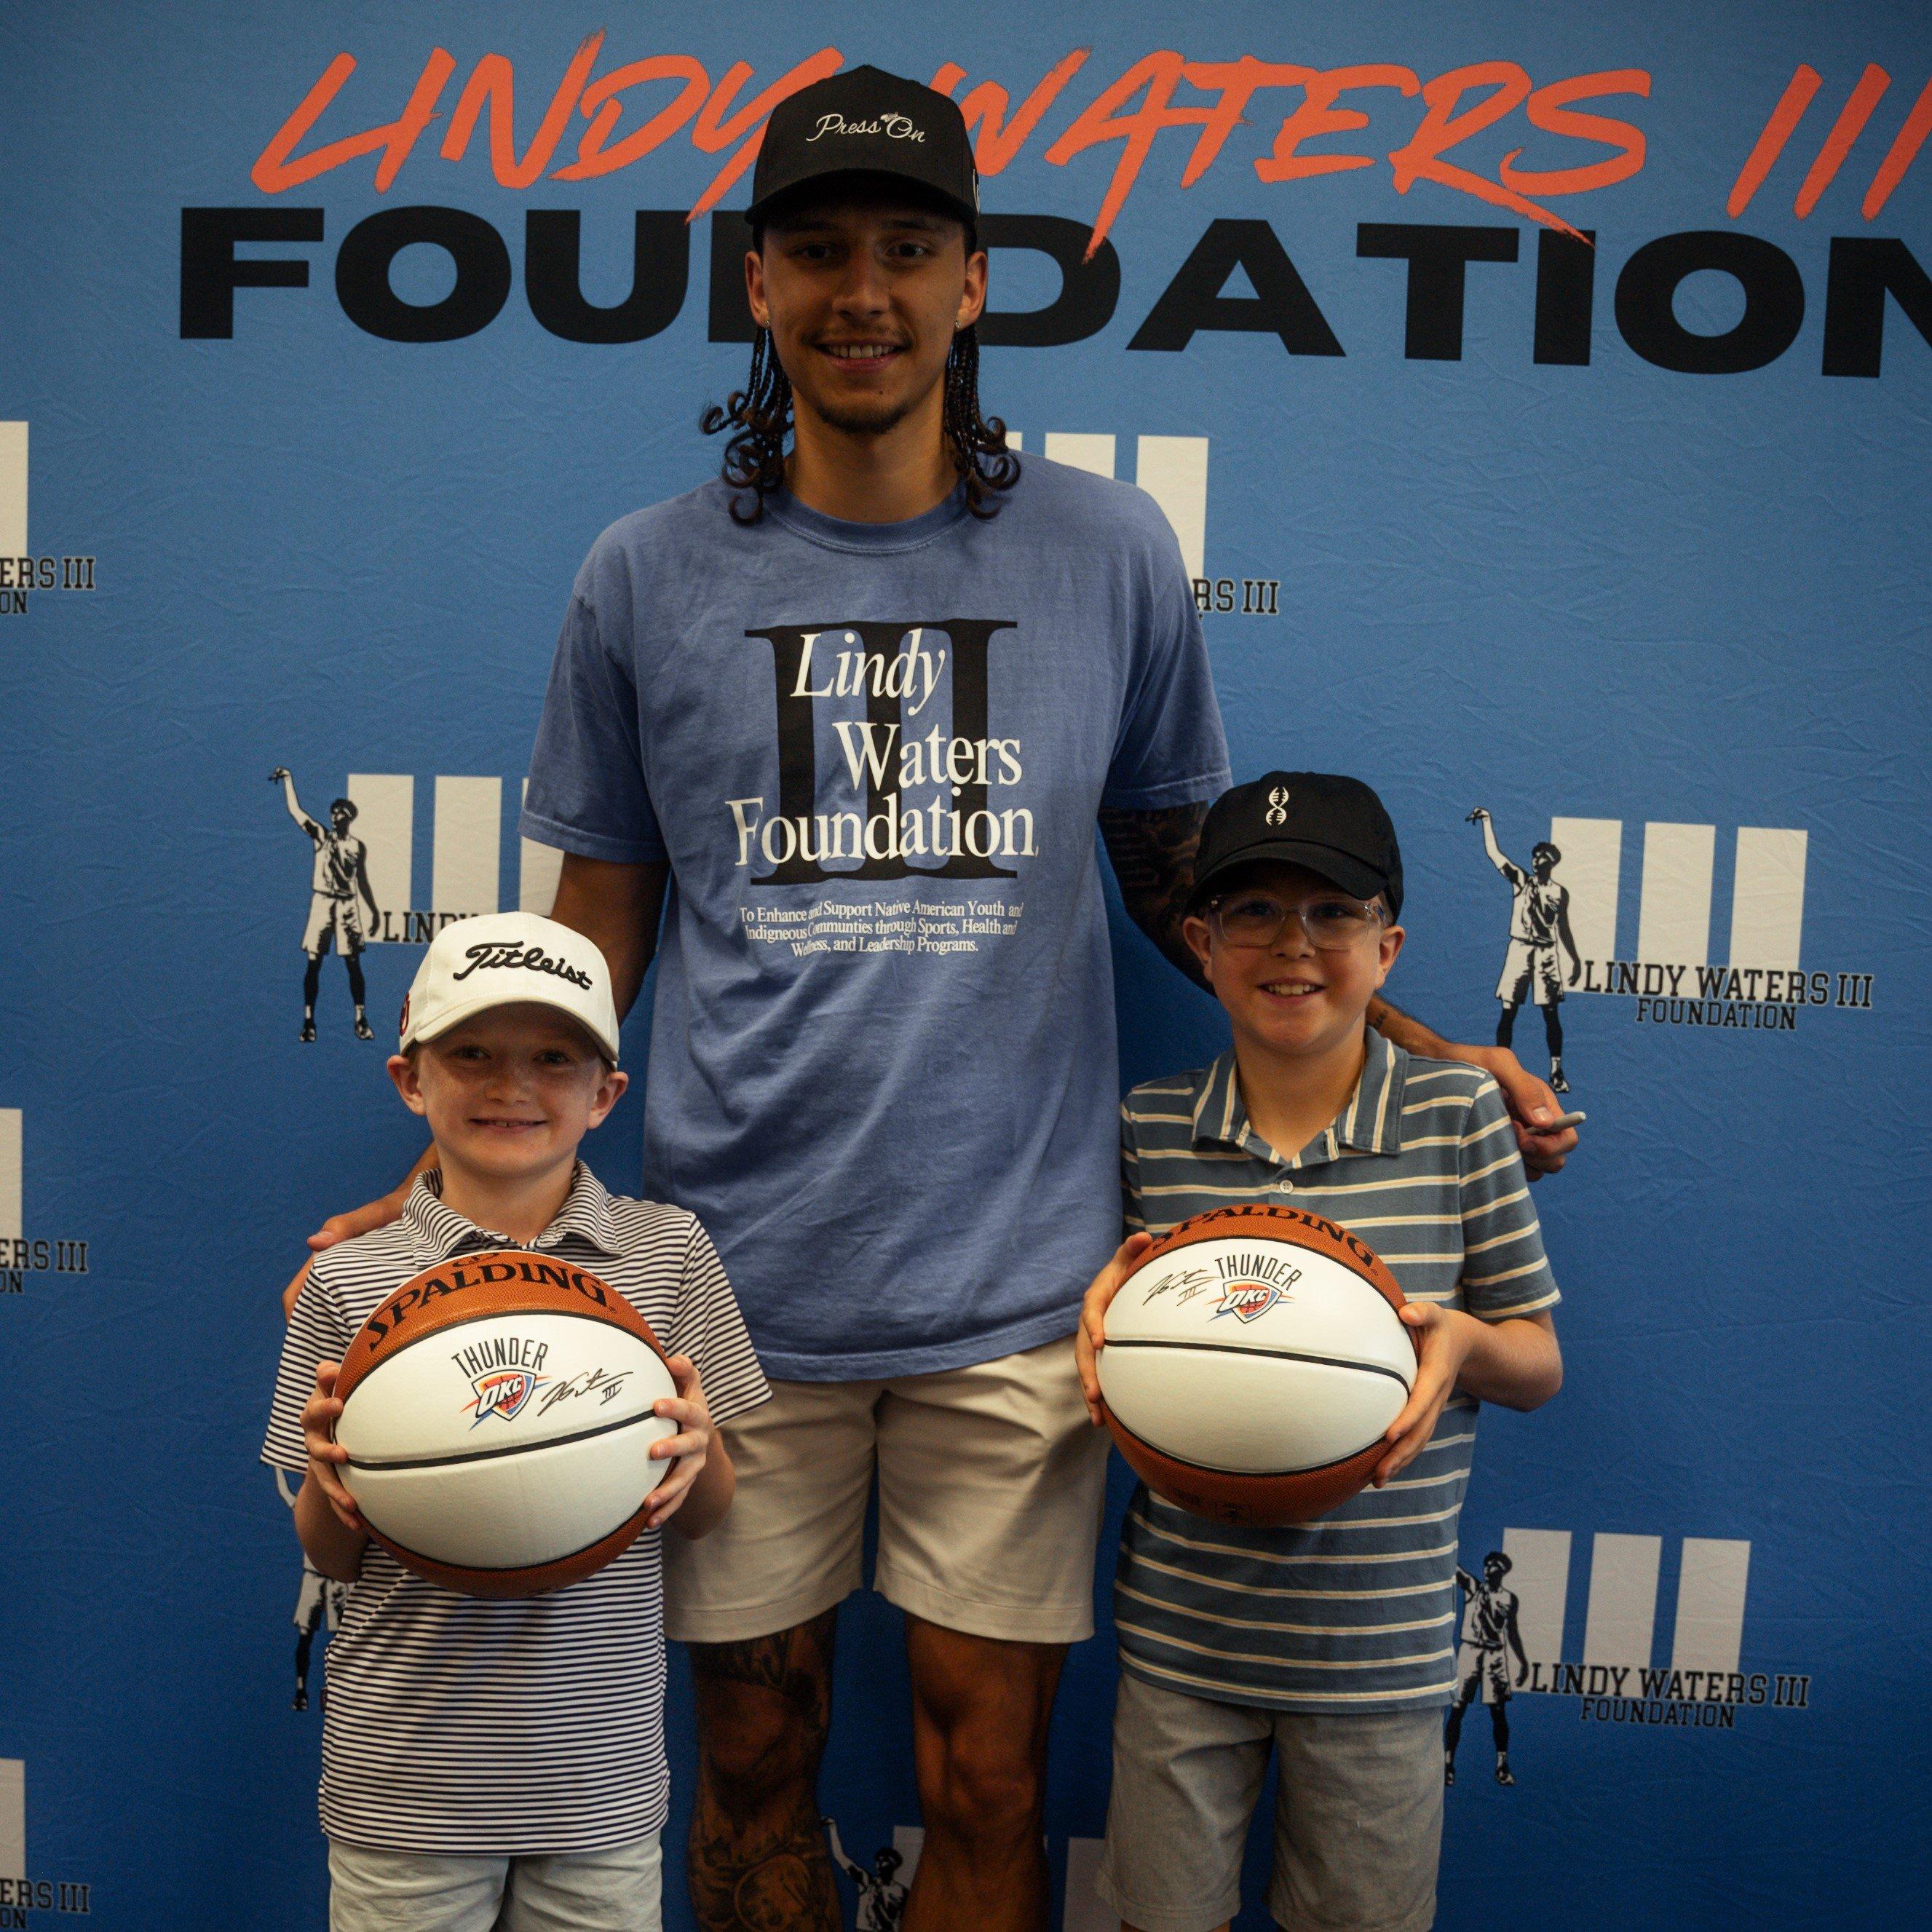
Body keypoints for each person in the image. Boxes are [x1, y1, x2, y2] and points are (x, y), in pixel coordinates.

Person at [287, 68, 1579, 1932]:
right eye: (818, 251)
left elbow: (1180, 884)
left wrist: (1426, 1046)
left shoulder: (1112, 550)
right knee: (748, 1754)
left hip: (1018, 1286)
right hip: (735, 1291)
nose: (863, 290)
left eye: (908, 248)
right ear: (757, 283)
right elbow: (591, 936)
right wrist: (458, 1214)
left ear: (974, 284)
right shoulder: (644, 575)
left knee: (986, 1768)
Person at [1077, 772, 1564, 1932]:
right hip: (1186, 1636)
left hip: (1380, 1652)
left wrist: (1457, 1342)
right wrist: (1099, 1334)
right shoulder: (1147, 1124)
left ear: (1386, 945)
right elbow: (1100, 1335)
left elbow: (1539, 1361)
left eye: (1331, 913)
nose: (1291, 945)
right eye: (1251, 912)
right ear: (1198, 941)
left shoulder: (1456, 1120)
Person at [262, 911, 769, 1931]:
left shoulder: (666, 1255)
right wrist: (331, 1481)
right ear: (411, 1079)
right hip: (405, 1783)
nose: (511, 1085)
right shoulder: (348, 1280)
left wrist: (698, 1453)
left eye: (553, 1056)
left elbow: (708, 1515)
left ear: (603, 1093)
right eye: (473, 1054)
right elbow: (327, 1552)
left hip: (597, 1783)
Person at [1468, 807, 1582, 1093]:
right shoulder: (1521, 881)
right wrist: (1486, 821)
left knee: (1551, 1013)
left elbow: (1564, 927)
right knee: (1509, 1011)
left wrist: (1575, 959)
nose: (1535, 861)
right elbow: (1496, 855)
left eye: (1542, 857)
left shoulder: (1558, 892)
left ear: (1552, 862)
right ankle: (1500, 1074)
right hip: (1519, 949)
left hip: (1546, 953)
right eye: (1534, 856)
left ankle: (1556, 1071)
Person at [269, 767, 381, 1042]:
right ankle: (308, 1021)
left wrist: (374, 911)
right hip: (322, 902)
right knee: (313, 962)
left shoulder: (357, 847)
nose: (334, 816)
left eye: (340, 812)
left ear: (349, 817)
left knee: (353, 964)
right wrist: (288, 780)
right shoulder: (321, 836)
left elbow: (362, 881)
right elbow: (297, 813)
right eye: (333, 812)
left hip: (347, 906)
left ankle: (360, 1019)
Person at [1444, 1552, 1529, 1787]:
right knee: (1457, 1708)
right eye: (1487, 1564)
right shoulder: (1474, 1589)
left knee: (1498, 1711)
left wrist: (1522, 1661)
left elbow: (1512, 1632)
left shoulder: (1509, 1599)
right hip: (1470, 1652)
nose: (1488, 1568)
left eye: (1494, 1565)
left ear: (1502, 1571)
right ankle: (1448, 1764)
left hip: (1495, 1654)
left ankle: (1502, 1765)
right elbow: (1457, 1571)